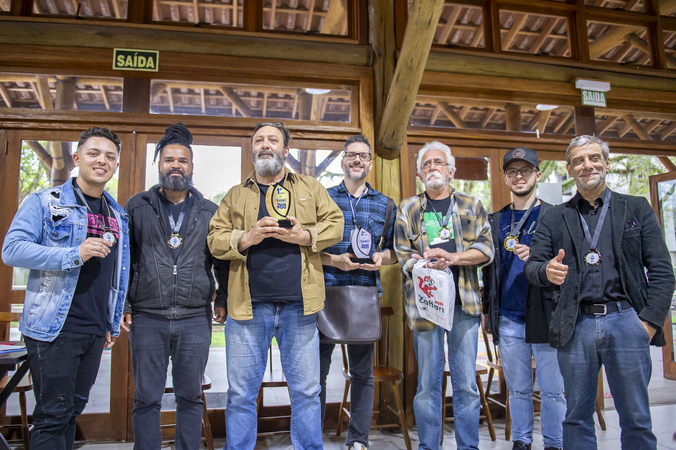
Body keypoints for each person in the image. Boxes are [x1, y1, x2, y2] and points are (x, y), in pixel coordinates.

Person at [524, 135, 675, 449]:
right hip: (575, 325)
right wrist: (546, 271)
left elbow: (662, 271)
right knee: (577, 416)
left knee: (636, 416)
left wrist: (647, 324)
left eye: (594, 158)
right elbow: (533, 266)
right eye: (578, 160)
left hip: (627, 322)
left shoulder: (636, 207)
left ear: (606, 163)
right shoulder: (554, 216)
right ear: (569, 169)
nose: (587, 165)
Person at [207, 121, 344, 450]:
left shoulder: (310, 188)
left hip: (301, 307)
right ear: (252, 149)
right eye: (259, 140)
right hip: (247, 309)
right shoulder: (235, 195)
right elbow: (214, 239)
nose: (265, 144)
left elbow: (336, 223)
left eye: (273, 140)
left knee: (307, 393)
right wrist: (246, 237)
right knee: (240, 394)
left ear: (286, 149)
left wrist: (306, 235)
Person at [2, 127, 129, 449]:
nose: (102, 161)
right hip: (54, 327)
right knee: (52, 415)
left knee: (73, 410)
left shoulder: (118, 214)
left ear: (116, 164)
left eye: (110, 156)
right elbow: (12, 250)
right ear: (77, 158)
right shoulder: (45, 202)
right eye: (93, 153)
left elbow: (117, 275)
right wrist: (73, 254)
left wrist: (110, 322)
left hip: (93, 327)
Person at [121, 123, 228, 450]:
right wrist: (124, 305)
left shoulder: (210, 211)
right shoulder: (136, 207)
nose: (175, 165)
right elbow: (127, 260)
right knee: (147, 399)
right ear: (159, 165)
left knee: (190, 397)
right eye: (169, 160)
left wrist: (221, 296)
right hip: (147, 318)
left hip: (195, 318)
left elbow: (220, 260)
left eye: (182, 160)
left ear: (192, 166)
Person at [394, 141, 493, 450]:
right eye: (426, 164)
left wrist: (454, 259)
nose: (432, 167)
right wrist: (425, 264)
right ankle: (428, 447)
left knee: (465, 385)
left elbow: (487, 250)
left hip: (464, 303)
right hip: (425, 307)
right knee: (427, 386)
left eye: (438, 162)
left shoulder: (471, 205)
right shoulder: (408, 208)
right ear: (420, 175)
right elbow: (402, 253)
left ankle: (468, 446)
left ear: (451, 170)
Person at [481, 147, 565, 450]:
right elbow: (490, 272)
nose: (519, 177)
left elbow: (569, 264)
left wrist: (539, 259)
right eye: (513, 172)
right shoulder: (496, 220)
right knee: (517, 390)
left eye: (526, 171)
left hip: (547, 314)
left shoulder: (557, 215)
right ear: (505, 177)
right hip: (509, 316)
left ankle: (555, 444)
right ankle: (521, 442)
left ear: (538, 175)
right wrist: (487, 311)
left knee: (553, 391)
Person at [318, 134, 398, 450]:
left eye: (363, 156)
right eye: (351, 155)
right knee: (316, 377)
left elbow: (394, 251)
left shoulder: (385, 204)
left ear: (370, 163)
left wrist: (383, 258)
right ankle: (314, 438)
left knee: (362, 375)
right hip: (325, 295)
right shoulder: (322, 198)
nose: (357, 160)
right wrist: (334, 260)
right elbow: (308, 248)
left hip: (365, 295)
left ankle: (358, 442)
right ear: (342, 160)